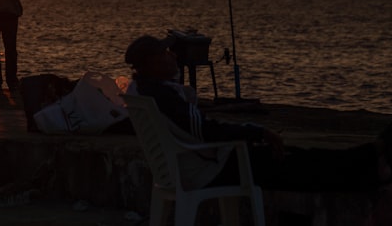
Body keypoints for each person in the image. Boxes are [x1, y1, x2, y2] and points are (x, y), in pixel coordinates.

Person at [124, 34, 391, 198]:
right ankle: (373, 162)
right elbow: (206, 130)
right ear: (153, 63)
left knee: (298, 157)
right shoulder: (164, 96)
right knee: (298, 164)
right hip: (211, 169)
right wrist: (257, 131)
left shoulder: (142, 89)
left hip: (194, 166)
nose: (172, 55)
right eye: (165, 53)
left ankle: (371, 157)